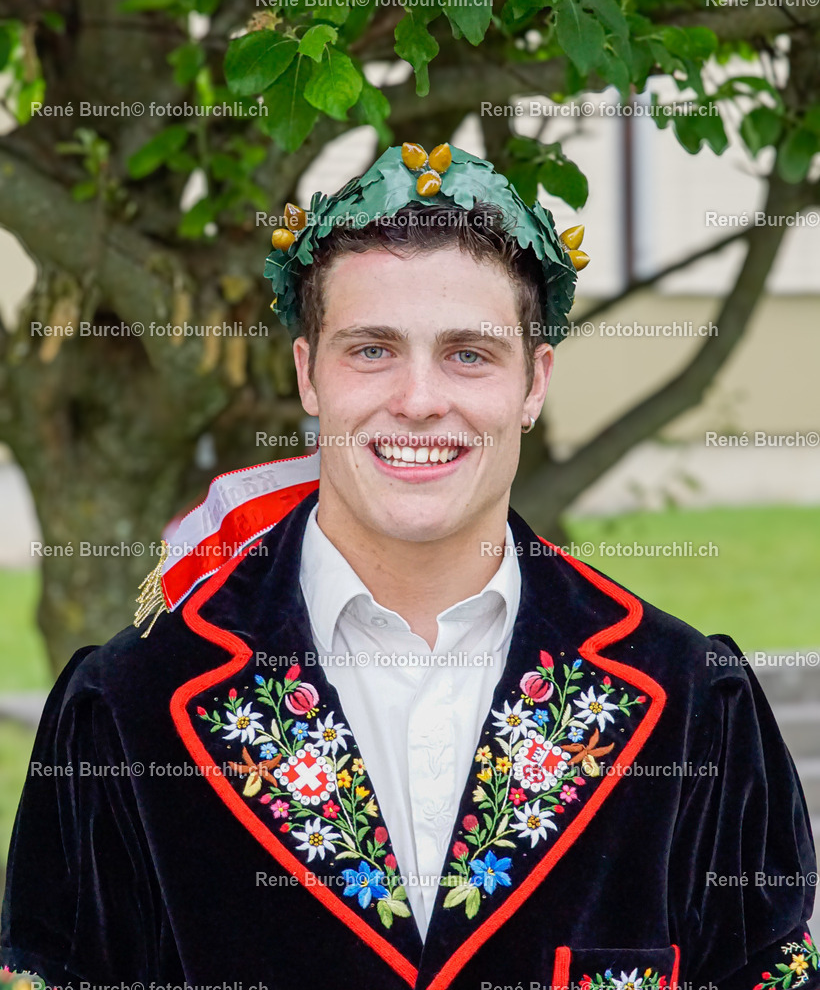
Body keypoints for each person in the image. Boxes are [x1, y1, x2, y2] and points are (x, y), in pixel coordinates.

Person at [1, 141, 817, 990]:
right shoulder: (131, 712)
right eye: (371, 350)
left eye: (469, 353)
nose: (420, 400)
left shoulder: (691, 704)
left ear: (534, 383)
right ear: (307, 373)